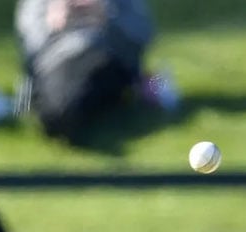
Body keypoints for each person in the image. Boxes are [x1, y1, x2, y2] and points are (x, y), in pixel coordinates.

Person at [14, 0, 155, 144]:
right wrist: (55, 23)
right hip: (58, 62)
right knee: (60, 108)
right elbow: (30, 45)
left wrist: (106, 18)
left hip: (105, 56)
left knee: (72, 101)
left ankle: (152, 85)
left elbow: (142, 34)